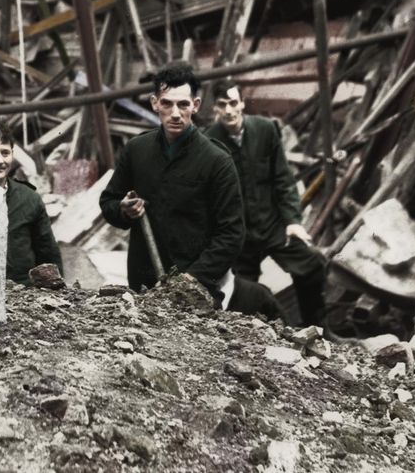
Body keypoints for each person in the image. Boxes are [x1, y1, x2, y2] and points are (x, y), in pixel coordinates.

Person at [100, 63, 246, 302]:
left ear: (196, 105)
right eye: (167, 103)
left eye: (183, 104)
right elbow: (108, 202)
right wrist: (123, 210)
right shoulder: (137, 150)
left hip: (195, 294)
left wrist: (192, 279)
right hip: (143, 287)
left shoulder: (216, 160)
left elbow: (231, 234)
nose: (175, 113)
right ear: (154, 103)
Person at [205, 83, 327, 326]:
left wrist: (292, 222)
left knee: (312, 263)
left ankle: (318, 330)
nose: (229, 110)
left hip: (272, 227)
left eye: (233, 103)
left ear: (242, 103)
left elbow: (283, 179)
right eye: (222, 105)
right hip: (239, 237)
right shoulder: (208, 142)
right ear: (215, 108)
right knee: (243, 295)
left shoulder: (265, 129)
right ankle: (262, 340)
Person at [0, 118, 62, 285]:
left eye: (5, 153)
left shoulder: (29, 199)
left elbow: (48, 254)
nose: (0, 160)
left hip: (22, 294)